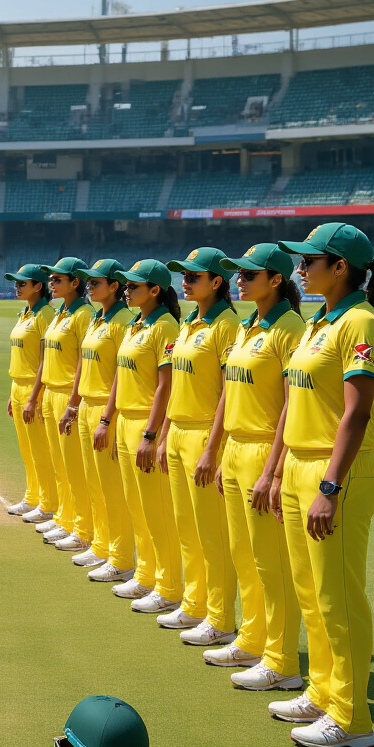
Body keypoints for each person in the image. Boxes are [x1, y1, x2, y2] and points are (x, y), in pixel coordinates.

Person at [269, 223, 374, 747]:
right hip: (302, 467)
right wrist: (281, 471)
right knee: (313, 593)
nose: (300, 270)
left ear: (340, 266)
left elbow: (357, 413)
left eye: (310, 261)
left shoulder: (360, 322)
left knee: (339, 599)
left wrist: (329, 485)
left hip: (337, 472)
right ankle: (323, 693)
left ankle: (352, 719)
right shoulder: (322, 318)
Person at [211, 244, 306, 685]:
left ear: (276, 280)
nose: (240, 280)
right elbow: (228, 392)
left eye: (250, 274)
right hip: (235, 449)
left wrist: (273, 469)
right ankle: (252, 640)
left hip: (264, 451)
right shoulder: (248, 325)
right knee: (244, 554)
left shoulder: (290, 328)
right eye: (238, 273)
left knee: (272, 563)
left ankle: (281, 660)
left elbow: (293, 404)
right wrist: (216, 449)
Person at [158, 249, 242, 644]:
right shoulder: (189, 321)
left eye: (194, 275)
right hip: (179, 431)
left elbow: (229, 390)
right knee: (187, 528)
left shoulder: (226, 324)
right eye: (184, 275)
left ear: (217, 282)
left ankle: (221, 618)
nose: (186, 281)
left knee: (212, 534)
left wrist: (213, 446)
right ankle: (194, 604)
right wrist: (164, 434)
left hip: (206, 434)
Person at [106, 260, 182, 614]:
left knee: (157, 510)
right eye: (127, 285)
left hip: (145, 423)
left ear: (155, 290)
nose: (126, 290)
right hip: (126, 420)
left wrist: (152, 434)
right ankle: (147, 573)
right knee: (137, 505)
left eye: (134, 286)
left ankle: (168, 585)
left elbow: (166, 387)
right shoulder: (137, 323)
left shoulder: (165, 326)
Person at [64, 259, 136, 581]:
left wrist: (108, 417)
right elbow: (83, 361)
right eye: (88, 283)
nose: (90, 287)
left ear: (114, 286)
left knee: (113, 488)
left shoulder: (123, 320)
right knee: (94, 482)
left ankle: (121, 557)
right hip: (87, 406)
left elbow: (123, 374)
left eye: (95, 283)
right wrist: (74, 403)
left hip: (109, 409)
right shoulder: (97, 317)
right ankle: (102, 544)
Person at [27, 257, 94, 553]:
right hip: (52, 393)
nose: (51, 284)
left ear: (74, 282)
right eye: (50, 280)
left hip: (69, 393)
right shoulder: (60, 313)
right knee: (60, 465)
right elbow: (47, 358)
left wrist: (73, 401)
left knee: (75, 469)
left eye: (56, 280)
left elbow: (83, 360)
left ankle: (83, 528)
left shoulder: (83, 314)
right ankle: (66, 519)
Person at [2, 263, 59, 525]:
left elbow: (46, 361)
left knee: (40, 450)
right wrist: (13, 393)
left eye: (22, 283)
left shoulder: (46, 314)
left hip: (35, 389)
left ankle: (48, 504)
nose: (17, 287)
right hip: (19, 385)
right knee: (27, 450)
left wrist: (34, 397)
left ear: (39, 286)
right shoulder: (26, 313)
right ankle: (32, 496)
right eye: (16, 282)